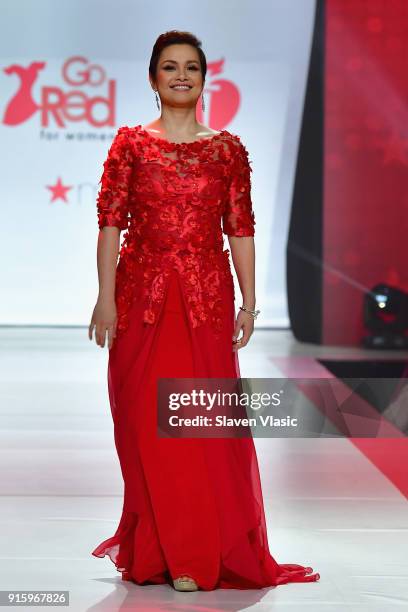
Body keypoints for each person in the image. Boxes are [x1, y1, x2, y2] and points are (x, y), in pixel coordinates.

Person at [88, 30, 320, 592]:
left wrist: (250, 299)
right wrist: (105, 295)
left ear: (204, 77)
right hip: (141, 298)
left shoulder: (227, 151)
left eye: (191, 67)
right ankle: (155, 549)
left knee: (196, 426)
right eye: (170, 67)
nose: (181, 76)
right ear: (153, 78)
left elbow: (239, 227)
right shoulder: (130, 146)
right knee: (140, 424)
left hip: (204, 301)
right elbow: (111, 224)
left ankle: (194, 551)